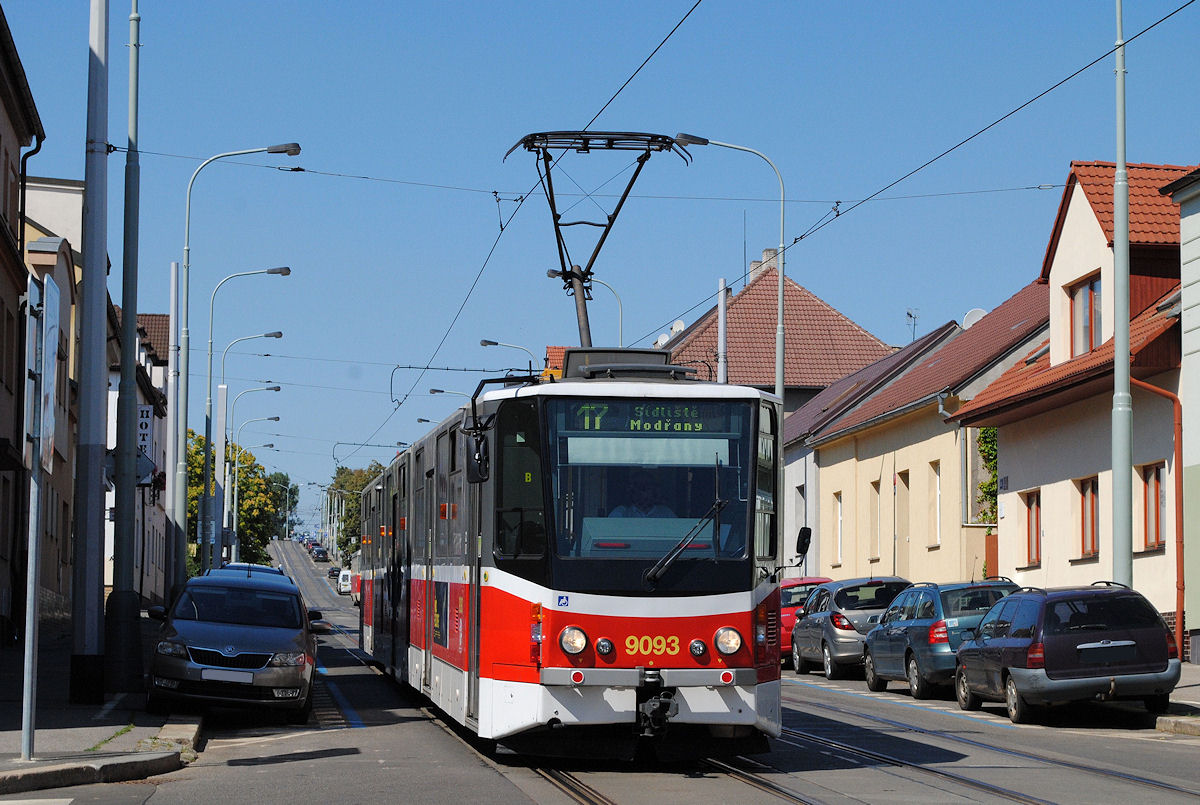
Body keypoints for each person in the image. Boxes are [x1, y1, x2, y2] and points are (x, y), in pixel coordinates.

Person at [609, 471, 675, 518]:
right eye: (639, 487)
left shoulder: (666, 513)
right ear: (631, 491)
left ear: (654, 491)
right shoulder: (621, 513)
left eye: (647, 488)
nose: (643, 492)